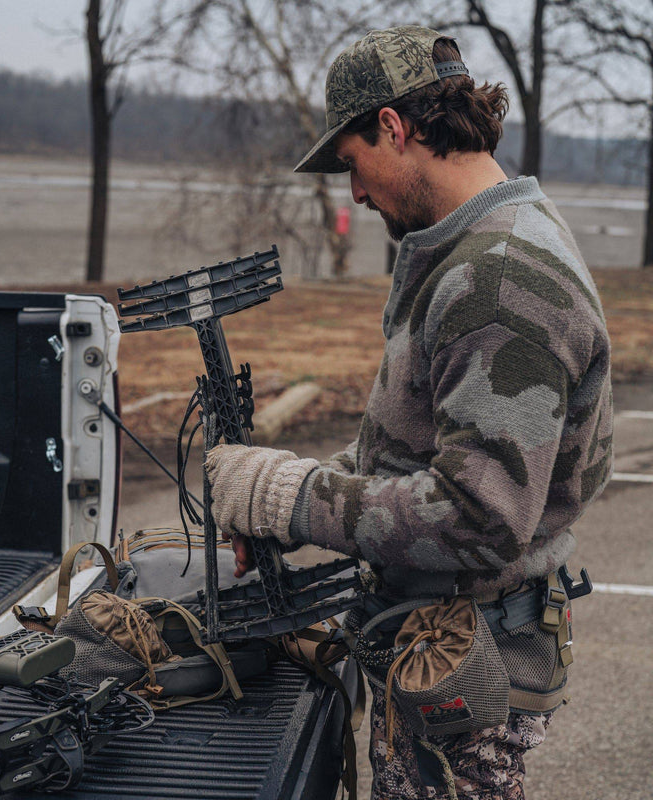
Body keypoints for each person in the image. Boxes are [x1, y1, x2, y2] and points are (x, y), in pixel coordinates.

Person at [205, 25, 613, 800]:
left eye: (352, 165)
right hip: (439, 634)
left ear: (394, 127)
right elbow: (418, 445)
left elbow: (478, 515)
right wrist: (306, 491)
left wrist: (289, 497)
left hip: (460, 656)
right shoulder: (475, 245)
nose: (353, 193)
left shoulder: (499, 279)